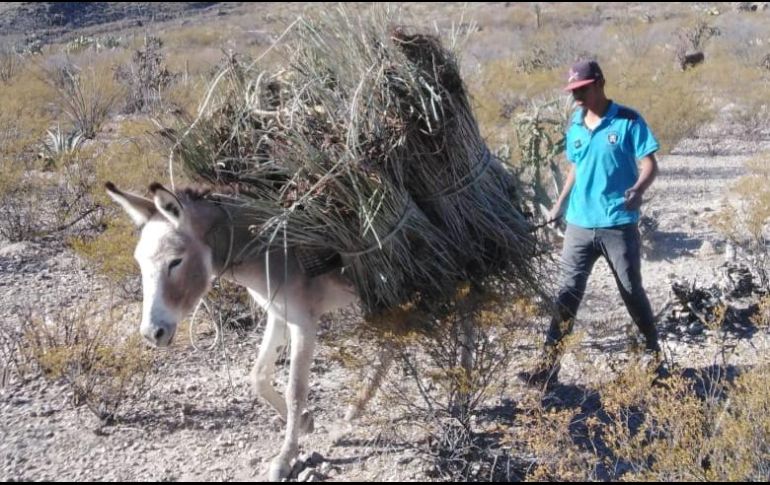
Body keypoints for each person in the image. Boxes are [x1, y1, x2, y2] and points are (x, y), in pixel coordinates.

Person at [519, 60, 665, 388]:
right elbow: (576, 167)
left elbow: (650, 164)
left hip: (617, 223)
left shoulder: (628, 120)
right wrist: (559, 204)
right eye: (573, 92)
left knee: (631, 291)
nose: (577, 97)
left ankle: (655, 359)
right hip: (579, 226)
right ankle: (547, 369)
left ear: (599, 83)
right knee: (566, 295)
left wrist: (639, 189)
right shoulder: (575, 125)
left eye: (582, 89)